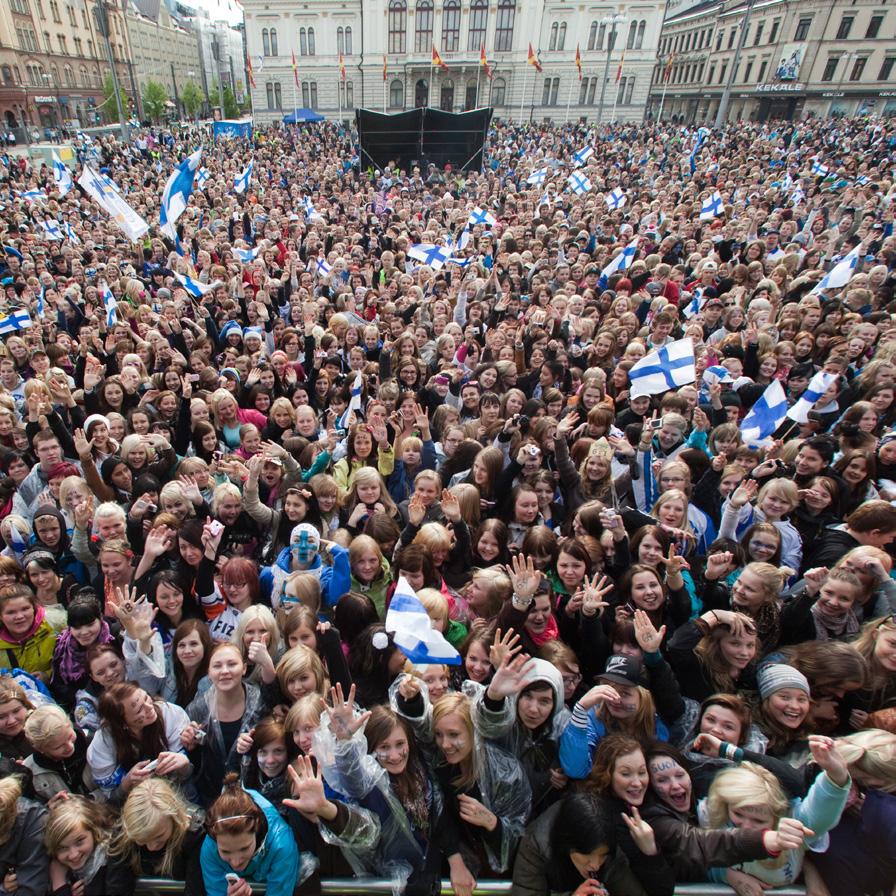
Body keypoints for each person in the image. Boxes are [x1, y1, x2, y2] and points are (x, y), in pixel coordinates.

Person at [200, 771, 301, 896]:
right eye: (225, 851)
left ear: (257, 829)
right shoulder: (210, 847)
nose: (236, 862)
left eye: (244, 848)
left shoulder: (282, 845)